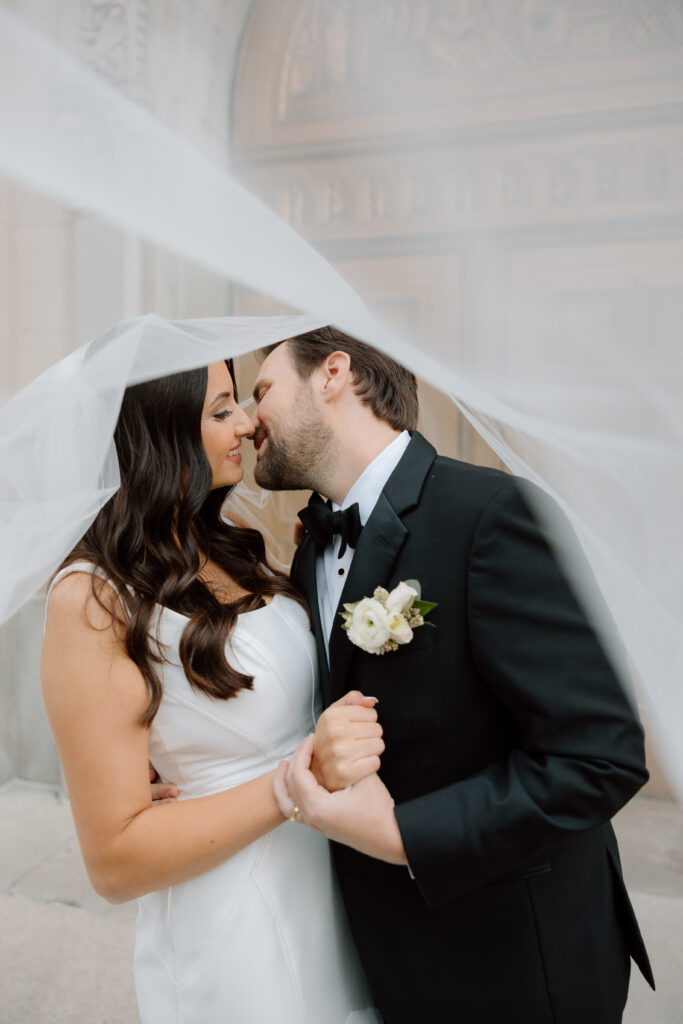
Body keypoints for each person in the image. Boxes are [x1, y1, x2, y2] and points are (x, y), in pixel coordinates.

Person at [249, 325, 655, 1024]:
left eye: (262, 390)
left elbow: (599, 757)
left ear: (333, 374)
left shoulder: (491, 515)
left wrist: (405, 835)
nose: (251, 418)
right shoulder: (310, 552)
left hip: (517, 964)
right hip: (390, 956)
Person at [41, 358, 382, 1024]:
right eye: (220, 409)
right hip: (236, 925)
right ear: (158, 432)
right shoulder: (92, 598)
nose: (248, 423)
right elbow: (113, 860)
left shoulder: (220, 544)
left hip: (331, 885)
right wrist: (295, 780)